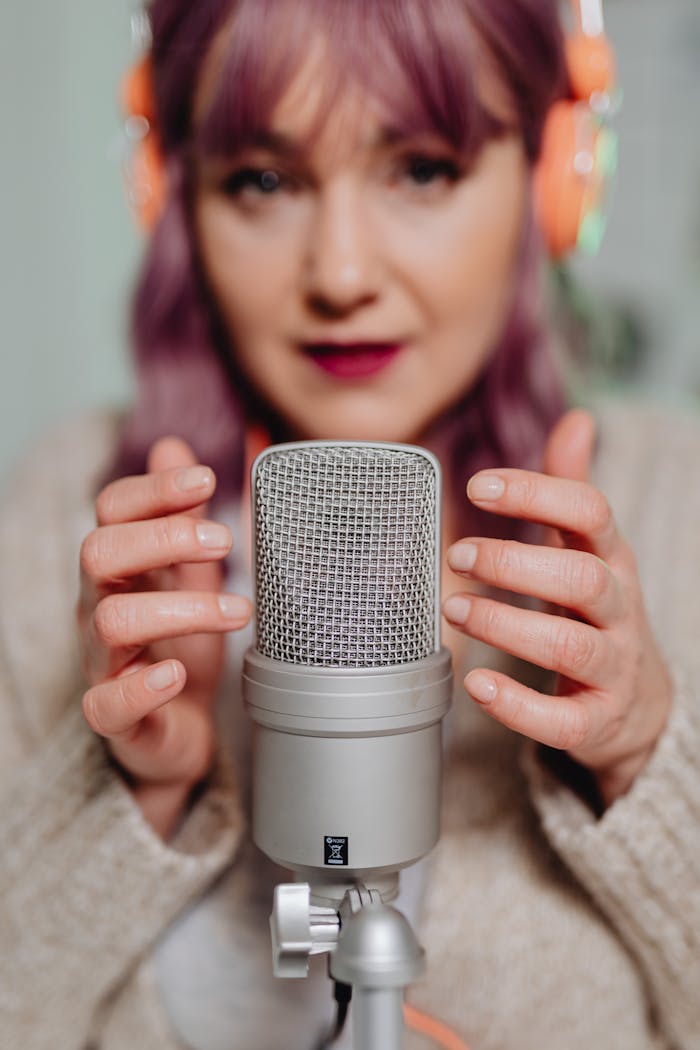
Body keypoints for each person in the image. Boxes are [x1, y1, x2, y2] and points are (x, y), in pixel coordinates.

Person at [1, 1, 698, 1048]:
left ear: (555, 177)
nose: (339, 275)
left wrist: (644, 758)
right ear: (173, 196)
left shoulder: (672, 500)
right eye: (263, 180)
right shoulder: (74, 508)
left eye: (421, 169)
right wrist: (134, 792)